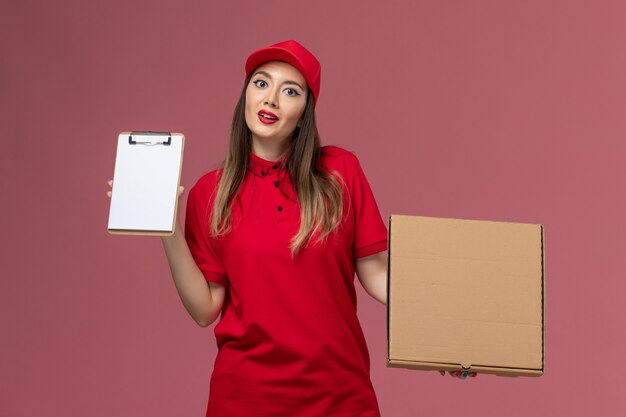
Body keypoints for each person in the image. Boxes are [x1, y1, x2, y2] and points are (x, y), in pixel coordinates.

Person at [108, 39, 475, 417]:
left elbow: (377, 273)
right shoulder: (210, 193)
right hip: (246, 400)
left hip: (339, 397)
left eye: (290, 90)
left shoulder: (340, 172)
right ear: (246, 97)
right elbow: (205, 310)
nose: (271, 99)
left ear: (304, 114)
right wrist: (167, 228)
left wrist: (446, 332)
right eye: (261, 83)